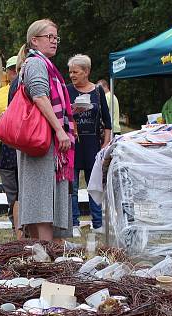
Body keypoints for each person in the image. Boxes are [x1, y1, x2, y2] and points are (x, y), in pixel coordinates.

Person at [14, 19, 74, 242]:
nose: (54, 41)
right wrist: (60, 130)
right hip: (41, 139)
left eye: (56, 37)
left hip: (41, 139)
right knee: (41, 197)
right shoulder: (37, 64)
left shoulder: (42, 64)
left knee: (41, 195)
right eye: (49, 36)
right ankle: (45, 251)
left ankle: (40, 251)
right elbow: (39, 96)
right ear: (34, 41)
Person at [67, 54, 111, 235]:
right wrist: (72, 110)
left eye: (75, 72)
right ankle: (74, 223)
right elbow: (60, 115)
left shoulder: (98, 91)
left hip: (93, 143)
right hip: (73, 143)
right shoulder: (67, 89)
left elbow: (107, 121)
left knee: (94, 184)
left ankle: (97, 222)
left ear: (86, 72)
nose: (72, 75)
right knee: (73, 185)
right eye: (70, 72)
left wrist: (105, 145)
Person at [0, 55, 21, 237]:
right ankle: (15, 228)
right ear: (7, 72)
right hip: (7, 149)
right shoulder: (1, 92)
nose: (15, 72)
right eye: (12, 69)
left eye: (18, 68)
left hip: (26, 146)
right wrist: (5, 115)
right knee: (12, 194)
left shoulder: (29, 89)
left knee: (26, 192)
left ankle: (26, 229)